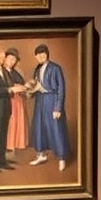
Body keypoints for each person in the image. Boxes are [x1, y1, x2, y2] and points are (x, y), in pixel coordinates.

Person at [29, 43, 70, 171]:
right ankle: (41, 154)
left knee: (56, 129)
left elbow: (61, 89)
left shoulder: (55, 68)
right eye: (38, 55)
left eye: (42, 54)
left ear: (47, 54)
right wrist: (29, 90)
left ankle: (62, 158)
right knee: (39, 127)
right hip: (40, 101)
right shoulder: (37, 69)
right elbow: (36, 86)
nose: (40, 57)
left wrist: (58, 108)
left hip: (52, 100)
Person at [3, 46, 29, 160]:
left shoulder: (15, 72)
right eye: (10, 58)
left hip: (19, 101)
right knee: (11, 124)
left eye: (14, 59)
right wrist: (14, 87)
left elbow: (21, 83)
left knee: (18, 124)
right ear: (5, 58)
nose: (12, 61)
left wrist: (26, 86)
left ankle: (15, 147)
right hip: (9, 101)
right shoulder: (1, 71)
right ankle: (9, 148)